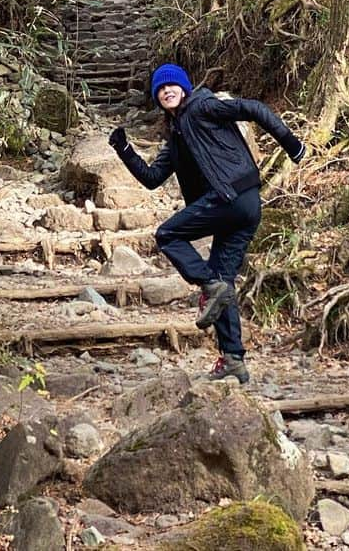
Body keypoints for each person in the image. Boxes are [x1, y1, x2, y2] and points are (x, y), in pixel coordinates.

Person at [108, 62, 306, 384]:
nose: (166, 91)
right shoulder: (176, 137)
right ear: (157, 99)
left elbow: (253, 108)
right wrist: (125, 149)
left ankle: (207, 285)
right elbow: (152, 178)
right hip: (244, 206)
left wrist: (291, 143)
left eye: (171, 86)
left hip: (231, 198)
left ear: (184, 88)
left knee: (167, 235)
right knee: (222, 283)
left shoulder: (203, 106)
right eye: (160, 89)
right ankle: (233, 360)